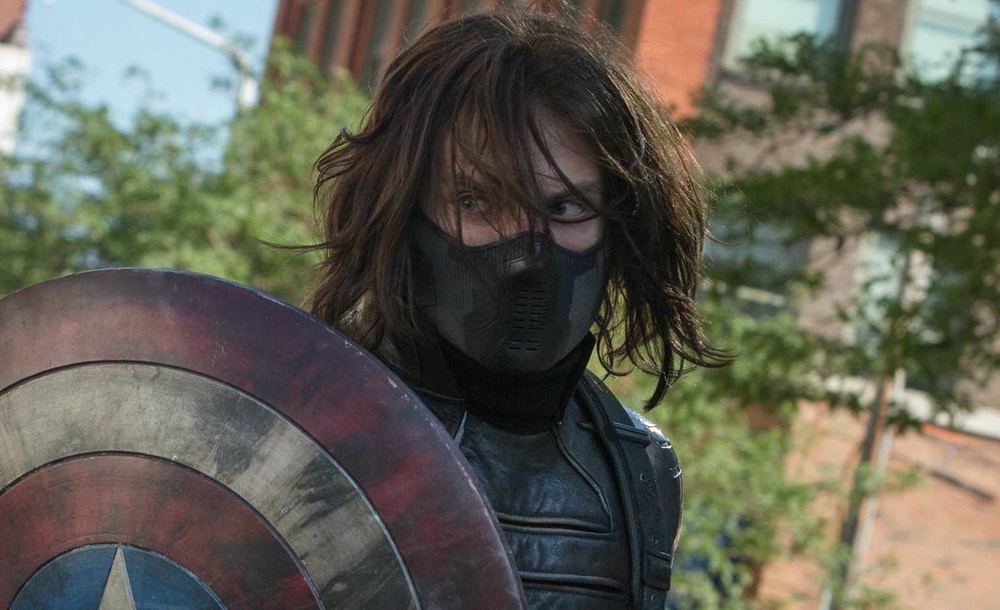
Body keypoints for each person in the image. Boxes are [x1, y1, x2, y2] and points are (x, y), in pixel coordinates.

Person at [308, 7, 729, 609]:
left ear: (620, 223)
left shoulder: (640, 469)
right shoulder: (305, 419)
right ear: (403, 206)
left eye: (564, 208)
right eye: (477, 200)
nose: (526, 255)